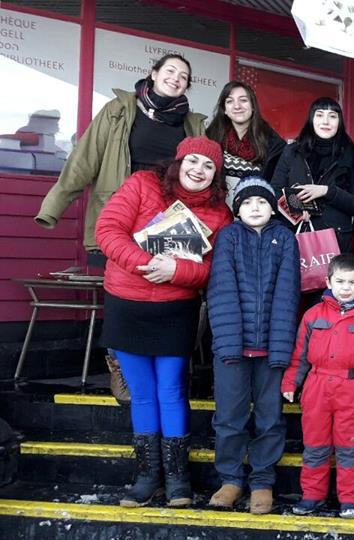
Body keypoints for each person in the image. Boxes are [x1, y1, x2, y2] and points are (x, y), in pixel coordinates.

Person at [35, 53, 206, 404]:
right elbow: (84, 158)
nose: (176, 78)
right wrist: (53, 207)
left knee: (172, 289)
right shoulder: (119, 110)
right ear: (153, 73)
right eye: (170, 70)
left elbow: (206, 170)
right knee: (121, 289)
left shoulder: (193, 124)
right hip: (124, 212)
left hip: (171, 218)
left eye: (183, 75)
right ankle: (120, 363)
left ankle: (167, 369)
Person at [94, 136, 234, 508]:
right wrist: (147, 264)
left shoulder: (220, 213)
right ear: (178, 161)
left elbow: (215, 270)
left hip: (175, 310)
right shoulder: (142, 185)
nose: (199, 170)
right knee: (142, 392)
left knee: (171, 390)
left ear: (217, 175)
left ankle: (177, 477)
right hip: (127, 305)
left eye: (209, 166)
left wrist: (177, 270)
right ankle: (147, 475)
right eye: (193, 161)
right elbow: (107, 231)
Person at [205, 176, 300, 514]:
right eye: (246, 202)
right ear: (237, 209)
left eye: (261, 202)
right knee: (229, 417)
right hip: (232, 347)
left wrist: (281, 348)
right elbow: (221, 292)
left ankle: (262, 481)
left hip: (271, 348)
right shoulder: (228, 237)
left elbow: (287, 296)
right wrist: (228, 345)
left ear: (273, 208)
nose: (255, 208)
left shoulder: (284, 238)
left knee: (269, 418)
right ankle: (230, 479)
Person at [282, 254, 354, 519]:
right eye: (340, 281)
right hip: (317, 386)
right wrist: (291, 381)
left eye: (352, 282)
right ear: (328, 282)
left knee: (350, 446)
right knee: (315, 444)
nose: (346, 287)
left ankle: (349, 499)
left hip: (352, 388)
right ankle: (312, 495)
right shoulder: (312, 315)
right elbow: (299, 353)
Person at [270, 97, 354, 256]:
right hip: (295, 236)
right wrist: (295, 211)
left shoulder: (352, 155)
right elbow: (275, 191)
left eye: (332, 116)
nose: (325, 121)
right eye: (320, 115)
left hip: (337, 241)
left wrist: (327, 191)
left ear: (339, 122)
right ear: (311, 119)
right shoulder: (292, 152)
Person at [206, 81, 287, 207]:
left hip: (256, 214)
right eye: (230, 101)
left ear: (253, 106)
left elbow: (279, 188)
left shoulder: (274, 145)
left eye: (243, 100)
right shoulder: (210, 138)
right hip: (216, 212)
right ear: (224, 109)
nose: (237, 106)